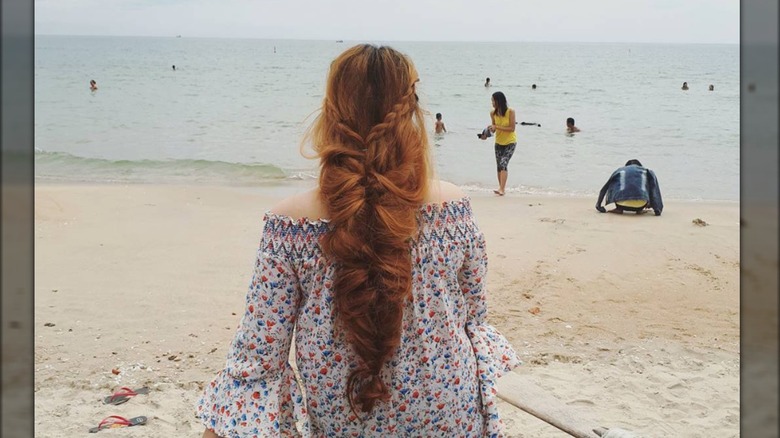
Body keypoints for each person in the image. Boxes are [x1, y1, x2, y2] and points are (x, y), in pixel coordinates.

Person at [196, 44, 520, 438]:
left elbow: (258, 358)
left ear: (332, 112)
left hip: (343, 419)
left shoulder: (290, 225)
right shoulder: (452, 208)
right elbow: (473, 316)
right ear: (411, 112)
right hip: (449, 413)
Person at [595, 159, 663, 216]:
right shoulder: (646, 171)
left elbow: (605, 188)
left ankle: (619, 209)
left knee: (616, 181)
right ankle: (639, 210)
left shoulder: (619, 170)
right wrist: (657, 209)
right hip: (640, 205)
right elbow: (654, 189)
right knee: (646, 184)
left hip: (621, 204)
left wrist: (598, 205)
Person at [487, 91, 517, 196]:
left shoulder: (510, 111)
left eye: (493, 100)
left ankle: (502, 189)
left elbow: (512, 128)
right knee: (499, 166)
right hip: (498, 142)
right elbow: (494, 129)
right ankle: (501, 188)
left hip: (510, 142)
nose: (492, 103)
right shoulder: (492, 113)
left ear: (499, 101)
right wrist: (486, 134)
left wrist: (497, 127)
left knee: (503, 163)